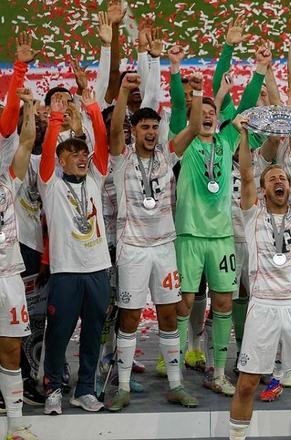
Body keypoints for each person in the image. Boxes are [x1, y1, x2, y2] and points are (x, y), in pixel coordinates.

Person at [173, 43, 272, 397]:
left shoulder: (227, 139)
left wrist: (259, 70)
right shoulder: (185, 143)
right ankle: (176, 375)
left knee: (225, 303)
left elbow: (244, 110)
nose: (208, 116)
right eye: (202, 112)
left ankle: (217, 373)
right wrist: (197, 89)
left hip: (222, 237)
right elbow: (186, 110)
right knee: (185, 301)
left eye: (212, 112)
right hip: (189, 234)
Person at [103, 71, 204, 411]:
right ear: (134, 131)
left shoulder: (166, 154)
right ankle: (123, 388)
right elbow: (113, 132)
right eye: (144, 127)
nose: (150, 132)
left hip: (163, 248)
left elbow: (193, 128)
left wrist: (199, 93)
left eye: (154, 127)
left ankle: (176, 385)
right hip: (132, 248)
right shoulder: (121, 158)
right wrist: (123, 93)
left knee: (169, 317)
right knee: (130, 318)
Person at [229, 111, 291, 440]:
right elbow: (245, 175)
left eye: (282, 178)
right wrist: (244, 134)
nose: (279, 182)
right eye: (271, 179)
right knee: (247, 384)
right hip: (263, 306)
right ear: (262, 189)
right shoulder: (252, 214)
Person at [39, 86, 111, 415]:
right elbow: (46, 152)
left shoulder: (95, 179)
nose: (82, 157)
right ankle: (53, 388)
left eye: (84, 153)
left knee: (93, 334)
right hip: (66, 271)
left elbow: (101, 141)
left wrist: (92, 106)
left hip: (97, 268)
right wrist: (55, 117)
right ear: (61, 160)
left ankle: (84, 390)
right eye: (74, 153)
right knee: (58, 333)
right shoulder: (51, 185)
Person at [0, 80, 40, 439]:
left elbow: (27, 142)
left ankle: (14, 423)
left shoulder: (8, 179)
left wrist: (28, 107)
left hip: (9, 274)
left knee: (11, 348)